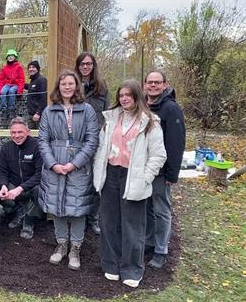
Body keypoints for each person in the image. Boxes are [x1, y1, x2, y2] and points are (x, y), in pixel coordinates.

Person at [93, 79, 166, 288]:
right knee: (109, 222)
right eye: (121, 95)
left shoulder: (150, 122)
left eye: (128, 95)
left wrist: (145, 177)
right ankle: (111, 264)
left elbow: (158, 155)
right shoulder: (111, 119)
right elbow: (101, 148)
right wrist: (99, 171)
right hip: (111, 174)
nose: (124, 99)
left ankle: (132, 269)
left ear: (136, 96)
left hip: (133, 176)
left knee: (132, 225)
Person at [38, 70, 99, 270]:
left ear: (76, 86)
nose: (67, 87)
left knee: (78, 209)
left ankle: (75, 248)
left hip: (79, 167)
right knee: (57, 207)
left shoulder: (87, 110)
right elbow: (43, 141)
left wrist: (75, 163)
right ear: (58, 86)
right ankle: (61, 245)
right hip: (54, 165)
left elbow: (92, 141)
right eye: (63, 83)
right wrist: (53, 164)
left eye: (71, 83)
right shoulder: (49, 111)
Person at [144, 70, 186, 269]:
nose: (153, 85)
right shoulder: (143, 105)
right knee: (148, 208)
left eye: (157, 83)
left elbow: (176, 143)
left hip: (161, 172)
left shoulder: (171, 109)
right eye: (150, 82)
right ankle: (149, 242)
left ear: (164, 85)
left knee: (161, 210)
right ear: (145, 85)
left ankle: (161, 250)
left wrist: (172, 173)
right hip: (143, 169)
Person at [74, 52, 110, 235]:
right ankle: (78, 214)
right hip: (76, 141)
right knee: (79, 179)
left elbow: (107, 115)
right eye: (82, 64)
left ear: (93, 66)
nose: (85, 67)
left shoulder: (102, 88)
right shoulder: (72, 86)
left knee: (97, 180)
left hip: (96, 140)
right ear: (78, 66)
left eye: (88, 64)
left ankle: (93, 218)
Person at [0, 117, 43, 239]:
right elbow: (1, 171)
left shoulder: (37, 147)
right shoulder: (6, 148)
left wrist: (20, 188)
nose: (16, 136)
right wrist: (3, 185)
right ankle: (19, 210)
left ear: (28, 132)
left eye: (20, 132)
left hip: (32, 185)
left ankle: (29, 220)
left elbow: (40, 174)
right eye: (13, 132)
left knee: (39, 190)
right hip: (14, 184)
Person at [0, 49, 25, 119]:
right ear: (7, 58)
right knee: (3, 92)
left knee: (11, 91)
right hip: (7, 84)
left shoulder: (19, 67)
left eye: (12, 56)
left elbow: (22, 79)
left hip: (16, 84)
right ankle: (4, 110)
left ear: (15, 57)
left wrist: (20, 90)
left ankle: (11, 109)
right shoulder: (4, 68)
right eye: (9, 56)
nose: (10, 57)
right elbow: (1, 80)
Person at [24, 60, 47, 129]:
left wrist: (38, 113)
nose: (31, 69)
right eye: (29, 67)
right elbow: (30, 87)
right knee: (30, 136)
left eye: (33, 67)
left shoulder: (41, 80)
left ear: (38, 69)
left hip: (39, 115)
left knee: (41, 135)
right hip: (30, 114)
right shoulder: (32, 81)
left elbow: (44, 98)